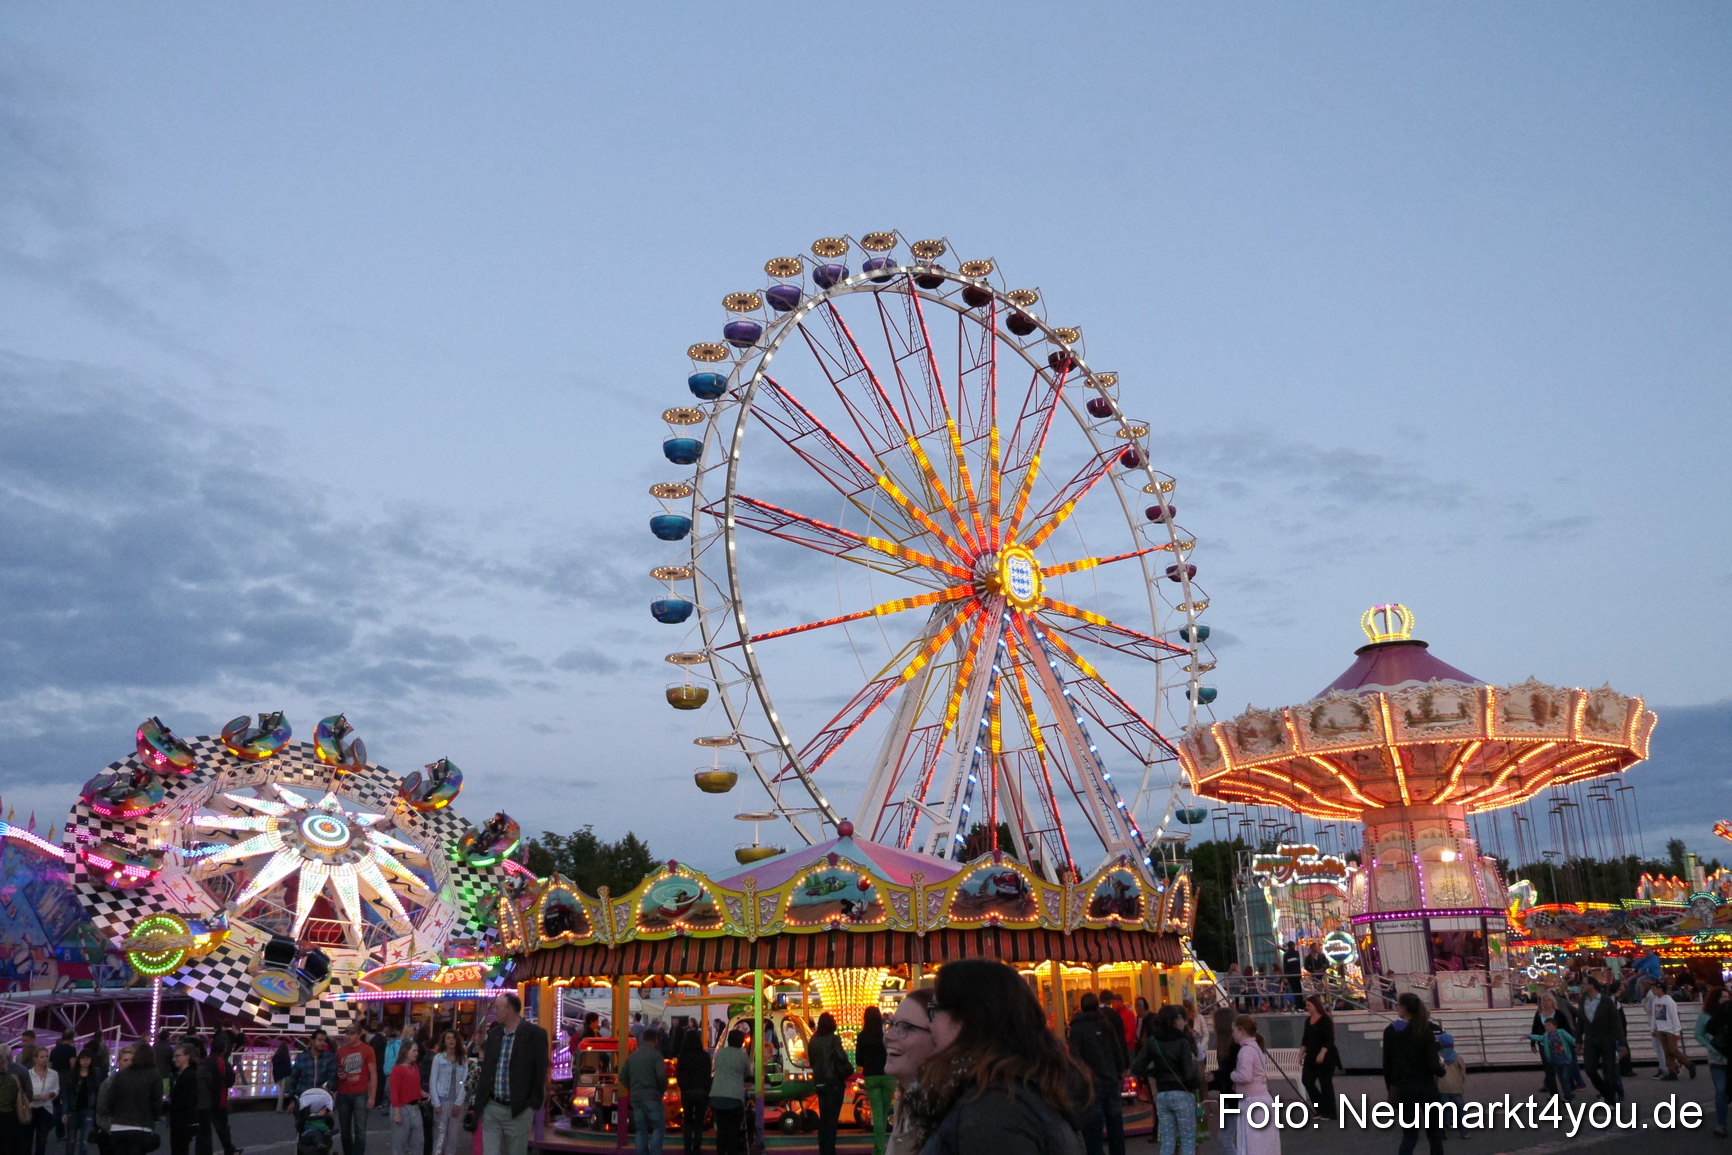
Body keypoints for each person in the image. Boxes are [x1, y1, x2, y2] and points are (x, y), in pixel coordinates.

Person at [902, 958, 1089, 1155]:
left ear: (967, 1018)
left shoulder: (993, 1112)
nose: (929, 1025)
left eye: (933, 1012)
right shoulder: (1026, 1090)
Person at [474, 992, 549, 1155]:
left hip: (518, 1109)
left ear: (509, 1009)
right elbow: (488, 1069)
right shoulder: (494, 1034)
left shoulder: (535, 1034)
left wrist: (532, 1104)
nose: (495, 1011)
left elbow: (540, 1070)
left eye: (497, 1008)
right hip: (492, 1107)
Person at [1130, 1007, 1198, 1155]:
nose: (1182, 1022)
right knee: (1187, 1140)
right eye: (1179, 1018)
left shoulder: (1152, 1041)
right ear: (1174, 1021)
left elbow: (1136, 1067)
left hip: (1162, 1094)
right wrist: (1196, 1085)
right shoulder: (1182, 1042)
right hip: (1182, 1093)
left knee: (1167, 1141)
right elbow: (1189, 1074)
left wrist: (1154, 1072)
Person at [1380, 993, 1442, 1155]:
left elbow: (1388, 1064)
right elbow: (1433, 1063)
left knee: (1409, 1135)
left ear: (1403, 1009)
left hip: (1404, 1087)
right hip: (1427, 1087)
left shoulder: (1392, 1031)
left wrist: (1391, 1088)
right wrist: (1441, 1070)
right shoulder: (1424, 1030)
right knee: (1434, 1134)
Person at [1067, 993, 1127, 1155]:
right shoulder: (1105, 1024)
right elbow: (1116, 1050)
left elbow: (1075, 1056)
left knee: (1093, 1130)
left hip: (1091, 1083)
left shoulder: (1077, 1028)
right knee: (1115, 1124)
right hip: (1110, 1079)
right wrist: (1119, 1071)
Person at [881, 990, 936, 1155]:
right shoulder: (906, 1106)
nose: (888, 1036)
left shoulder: (947, 1117)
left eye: (906, 1027)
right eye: (890, 1024)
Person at [95, 1046, 159, 1155]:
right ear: (119, 1062)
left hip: (136, 1131)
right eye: (125, 1060)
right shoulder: (109, 1082)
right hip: (112, 1131)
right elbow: (102, 1108)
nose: (129, 1063)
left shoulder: (144, 1082)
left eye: (132, 1060)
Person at [1226, 1018, 1277, 1155]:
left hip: (1252, 1101)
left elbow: (1245, 1076)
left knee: (1253, 1143)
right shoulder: (1256, 1048)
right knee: (1264, 1143)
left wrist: (1232, 1075)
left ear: (1241, 1031)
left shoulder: (1246, 1051)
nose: (1233, 1034)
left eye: (1234, 1030)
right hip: (1261, 1097)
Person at [805, 1013, 851, 1155]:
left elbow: (811, 1060)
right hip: (834, 1082)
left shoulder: (813, 1040)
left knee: (824, 1117)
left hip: (819, 1082)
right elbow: (842, 1056)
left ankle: (823, 1150)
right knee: (832, 1118)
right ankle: (830, 1150)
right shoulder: (834, 1039)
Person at [1576, 976, 1626, 1104]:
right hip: (1590, 1040)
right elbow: (1580, 1021)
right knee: (1590, 1069)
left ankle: (1610, 1101)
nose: (1582, 986)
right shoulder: (1582, 1001)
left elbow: (1616, 1023)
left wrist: (1621, 1043)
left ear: (1592, 985)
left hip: (1606, 1039)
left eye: (1584, 983)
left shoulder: (1606, 1001)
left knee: (1609, 1070)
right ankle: (1605, 1091)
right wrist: (1578, 1041)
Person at [620, 1028, 667, 1155]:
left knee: (641, 1129)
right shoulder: (656, 1055)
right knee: (658, 1126)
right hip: (652, 1095)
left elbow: (622, 1076)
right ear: (656, 1040)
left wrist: (632, 1088)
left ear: (643, 1039)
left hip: (636, 1097)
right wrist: (662, 1089)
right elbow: (661, 1076)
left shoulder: (632, 1057)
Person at [854, 1007, 892, 1155]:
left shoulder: (862, 1036)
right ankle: (880, 1148)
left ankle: (879, 1149)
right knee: (884, 1112)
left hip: (871, 1076)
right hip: (888, 1075)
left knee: (877, 1112)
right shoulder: (886, 1034)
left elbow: (858, 1060)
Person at [1696, 986, 1731, 1138]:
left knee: (1727, 1092)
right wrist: (1709, 1046)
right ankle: (1721, 1124)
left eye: (1728, 997)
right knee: (1721, 1090)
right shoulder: (1705, 1016)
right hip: (1716, 1059)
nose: (1726, 1000)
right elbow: (1698, 1034)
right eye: (1723, 997)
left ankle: (1724, 1104)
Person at [707, 1030, 749, 1155]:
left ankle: (720, 1152)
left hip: (717, 1094)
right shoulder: (742, 1055)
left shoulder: (720, 1053)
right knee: (733, 1130)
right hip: (734, 1096)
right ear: (741, 1042)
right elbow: (748, 1073)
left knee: (721, 1129)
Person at [286, 1033, 338, 1129]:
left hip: (321, 1099)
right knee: (303, 1130)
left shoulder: (329, 1057)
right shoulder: (302, 1058)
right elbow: (293, 1078)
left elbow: (332, 1076)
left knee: (322, 1129)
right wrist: (293, 1099)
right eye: (319, 1040)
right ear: (312, 1041)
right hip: (304, 1098)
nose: (322, 1043)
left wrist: (327, 1087)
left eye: (324, 1041)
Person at [428, 1031, 466, 1155]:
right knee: (439, 1135)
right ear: (444, 1041)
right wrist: (436, 1103)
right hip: (442, 1099)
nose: (451, 1040)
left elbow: (465, 1082)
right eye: (448, 1038)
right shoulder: (438, 1058)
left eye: (454, 1038)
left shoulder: (463, 1059)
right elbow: (433, 1080)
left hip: (456, 1100)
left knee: (453, 1136)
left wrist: (459, 1103)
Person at [1298, 995, 1336, 1120]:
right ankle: (1320, 1108)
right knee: (1307, 1080)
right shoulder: (1308, 1020)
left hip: (1325, 1055)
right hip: (1311, 1055)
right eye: (1306, 1005)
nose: (1307, 1008)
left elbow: (1329, 1039)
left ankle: (1330, 1112)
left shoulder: (1325, 1020)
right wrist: (1300, 1053)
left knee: (1325, 1083)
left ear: (1316, 1006)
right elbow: (1305, 1039)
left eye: (1309, 1005)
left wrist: (1322, 1053)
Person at [675, 1026, 711, 1155]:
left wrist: (683, 1088)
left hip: (687, 1092)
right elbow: (708, 1075)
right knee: (699, 1123)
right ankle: (696, 1149)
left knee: (688, 1122)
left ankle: (687, 1150)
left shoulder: (682, 1056)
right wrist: (707, 1090)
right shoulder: (705, 1056)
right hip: (701, 1092)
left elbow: (678, 1074)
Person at [1208, 1007, 1239, 1155]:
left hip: (1234, 1095)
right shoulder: (1226, 1045)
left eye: (1214, 1022)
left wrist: (1215, 1076)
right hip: (1229, 1094)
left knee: (1225, 1137)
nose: (1213, 1025)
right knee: (1226, 1136)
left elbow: (1232, 1072)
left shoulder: (1233, 1046)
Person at [1529, 992, 1574, 1094]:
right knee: (1549, 1069)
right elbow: (1535, 1028)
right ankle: (1554, 1094)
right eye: (1543, 1001)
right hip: (1544, 1044)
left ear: (1552, 1001)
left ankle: (1567, 1092)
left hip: (1559, 1045)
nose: (1546, 1003)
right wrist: (1532, 1043)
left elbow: (1566, 1028)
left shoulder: (1558, 1014)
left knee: (1561, 1069)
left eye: (1548, 1000)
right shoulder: (1539, 1014)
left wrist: (1571, 1043)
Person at [168, 1043, 208, 1155]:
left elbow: (187, 1100)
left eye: (177, 1056)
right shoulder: (183, 1074)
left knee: (180, 1150)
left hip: (182, 1122)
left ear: (187, 1057)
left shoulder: (188, 1076)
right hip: (182, 1121)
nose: (174, 1059)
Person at [1649, 983, 1695, 1081]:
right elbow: (1654, 1015)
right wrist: (1653, 1028)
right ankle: (1672, 1071)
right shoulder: (1655, 1001)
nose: (1653, 991)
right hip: (1661, 1029)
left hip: (1670, 1029)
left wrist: (1676, 1031)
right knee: (1667, 1052)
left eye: (1654, 989)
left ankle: (1688, 1063)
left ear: (1660, 989)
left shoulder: (1669, 1001)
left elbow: (1674, 1016)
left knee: (1673, 1050)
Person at [203, 1033, 239, 1155]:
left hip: (205, 1099)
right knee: (222, 1127)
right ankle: (228, 1149)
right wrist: (234, 1075)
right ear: (223, 1049)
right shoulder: (223, 1063)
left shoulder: (205, 1062)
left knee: (205, 1130)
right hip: (219, 1099)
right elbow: (229, 1081)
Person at [1527, 1019, 1577, 1104]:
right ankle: (1568, 1095)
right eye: (1545, 1026)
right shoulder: (1546, 1036)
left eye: (1549, 1025)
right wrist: (1530, 1036)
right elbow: (1540, 1038)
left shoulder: (1561, 1032)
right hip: (1556, 1061)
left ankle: (1568, 1096)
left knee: (1565, 1078)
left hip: (1565, 1060)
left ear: (1555, 1026)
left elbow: (1571, 1039)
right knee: (1562, 1079)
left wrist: (1578, 1045)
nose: (1546, 1028)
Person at [62, 1049, 102, 1155]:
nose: (85, 1061)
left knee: (85, 1141)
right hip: (73, 1110)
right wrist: (64, 1112)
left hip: (88, 1110)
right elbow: (66, 1094)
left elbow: (98, 1092)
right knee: (71, 1140)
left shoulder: (96, 1073)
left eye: (88, 1058)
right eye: (83, 1058)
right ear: (79, 1060)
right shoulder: (72, 1074)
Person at [389, 1041, 424, 1155]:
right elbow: (394, 1091)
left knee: (418, 1142)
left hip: (415, 1107)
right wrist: (397, 1113)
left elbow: (415, 1085)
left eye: (417, 1050)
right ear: (406, 1051)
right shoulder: (397, 1069)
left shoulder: (415, 1067)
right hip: (402, 1108)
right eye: (413, 1051)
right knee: (399, 1144)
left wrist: (423, 1094)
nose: (416, 1053)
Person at [26, 1047, 60, 1155]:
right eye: (41, 1057)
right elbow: (24, 1092)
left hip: (46, 1108)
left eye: (46, 1056)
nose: (44, 1059)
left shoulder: (53, 1074)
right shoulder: (28, 1074)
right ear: (35, 1058)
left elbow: (56, 1088)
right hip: (31, 1108)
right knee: (27, 1139)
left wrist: (51, 1094)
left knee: (42, 1140)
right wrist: (35, 1096)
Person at [1435, 1032, 1468, 1139]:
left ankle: (1445, 1126)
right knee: (1460, 1107)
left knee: (1445, 1107)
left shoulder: (1438, 1057)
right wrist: (1461, 1083)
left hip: (1443, 1086)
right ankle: (1463, 1131)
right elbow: (1463, 1073)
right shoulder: (1458, 1058)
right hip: (1456, 1087)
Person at [273, 1042, 294, 1112]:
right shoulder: (286, 1057)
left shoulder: (275, 1057)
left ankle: (279, 1108)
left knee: (281, 1091)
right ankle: (279, 1108)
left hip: (278, 1076)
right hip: (285, 1075)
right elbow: (289, 1068)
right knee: (283, 1092)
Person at [1281, 945, 1301, 1011]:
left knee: (1294, 990)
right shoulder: (1297, 953)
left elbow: (1285, 966)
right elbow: (1298, 964)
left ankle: (1297, 1005)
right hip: (1297, 974)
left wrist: (1286, 975)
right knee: (1299, 990)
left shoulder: (1286, 955)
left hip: (1291, 975)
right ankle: (1300, 1005)